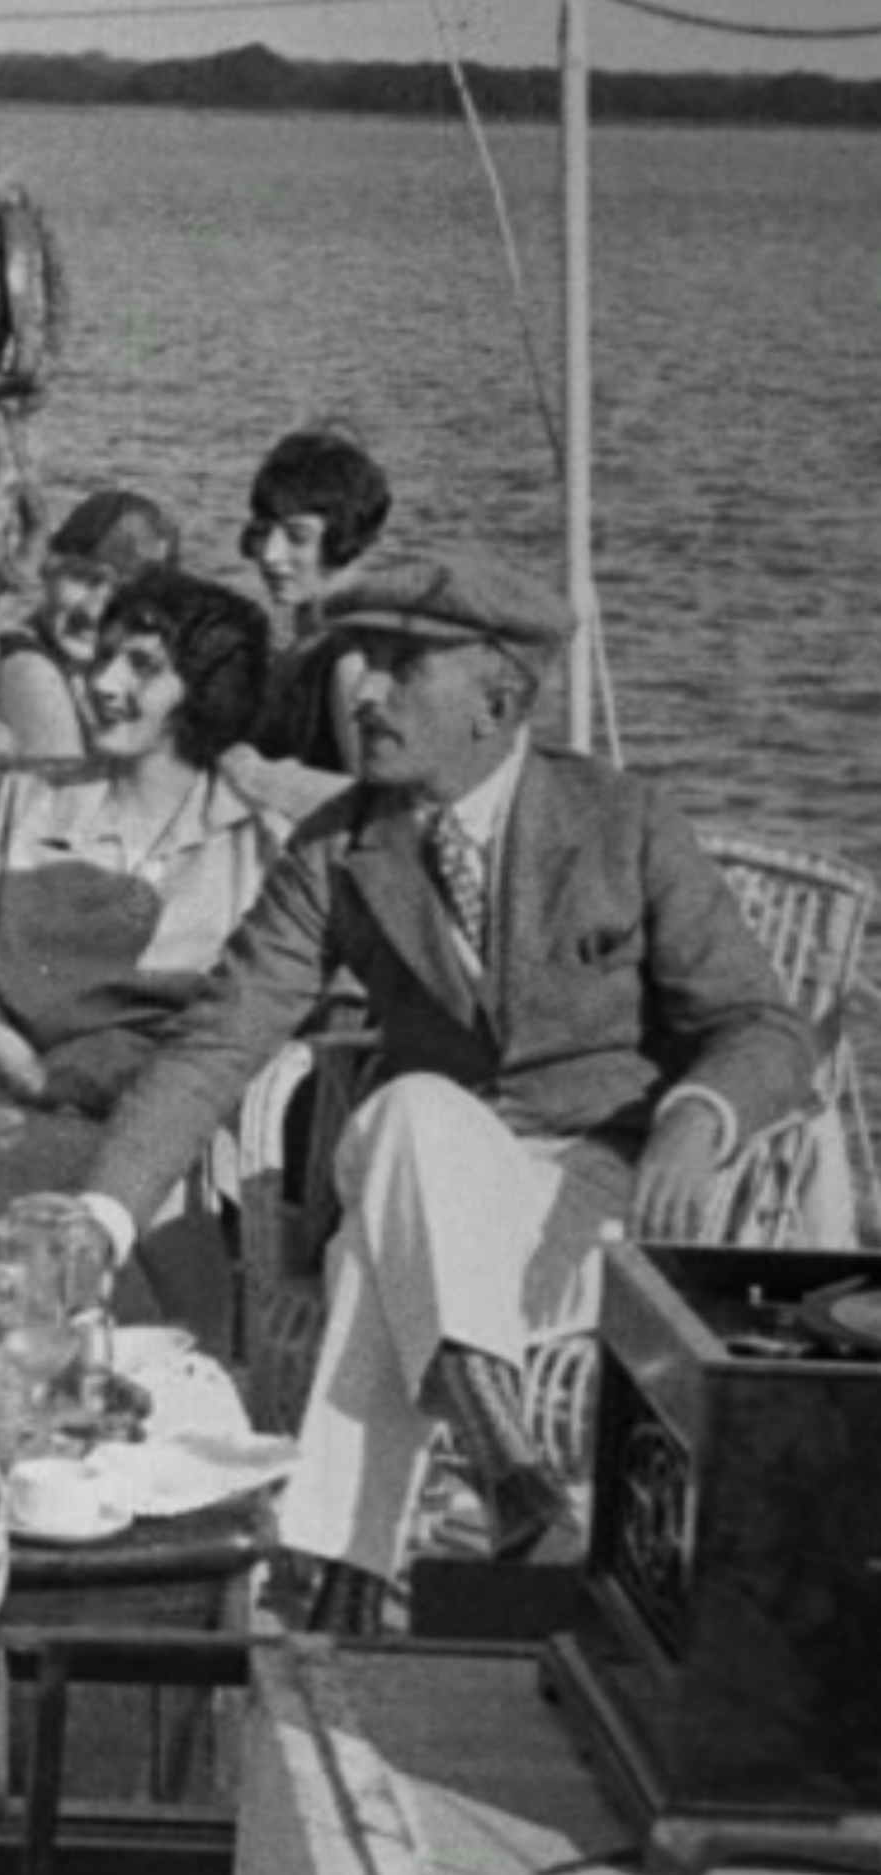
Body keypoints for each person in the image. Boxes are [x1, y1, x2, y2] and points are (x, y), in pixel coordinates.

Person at [49, 554, 813, 1631]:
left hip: (583, 1217)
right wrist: (100, 1214)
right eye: (359, 658)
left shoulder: (623, 823)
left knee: (375, 1247)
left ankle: (334, 1580)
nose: (360, 689)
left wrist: (699, 1114)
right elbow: (218, 1040)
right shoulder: (340, 849)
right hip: (433, 1174)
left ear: (497, 700)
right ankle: (507, 1464)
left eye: (401, 666)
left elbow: (761, 1028)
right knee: (411, 1116)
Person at [0, 570, 320, 1342]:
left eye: (141, 666)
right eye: (102, 657)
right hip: (0, 1110)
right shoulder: (20, 806)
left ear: (202, 689)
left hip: (156, 1137)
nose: (102, 683)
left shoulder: (260, 848)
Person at [241, 428, 392, 774]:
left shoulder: (348, 661)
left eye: (297, 538)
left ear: (345, 538)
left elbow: (367, 799)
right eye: (264, 531)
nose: (270, 555)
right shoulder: (307, 642)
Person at [0, 489, 183, 762]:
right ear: (48, 572)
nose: (94, 612)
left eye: (125, 596)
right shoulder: (30, 673)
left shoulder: (98, 678)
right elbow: (65, 801)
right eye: (83, 579)